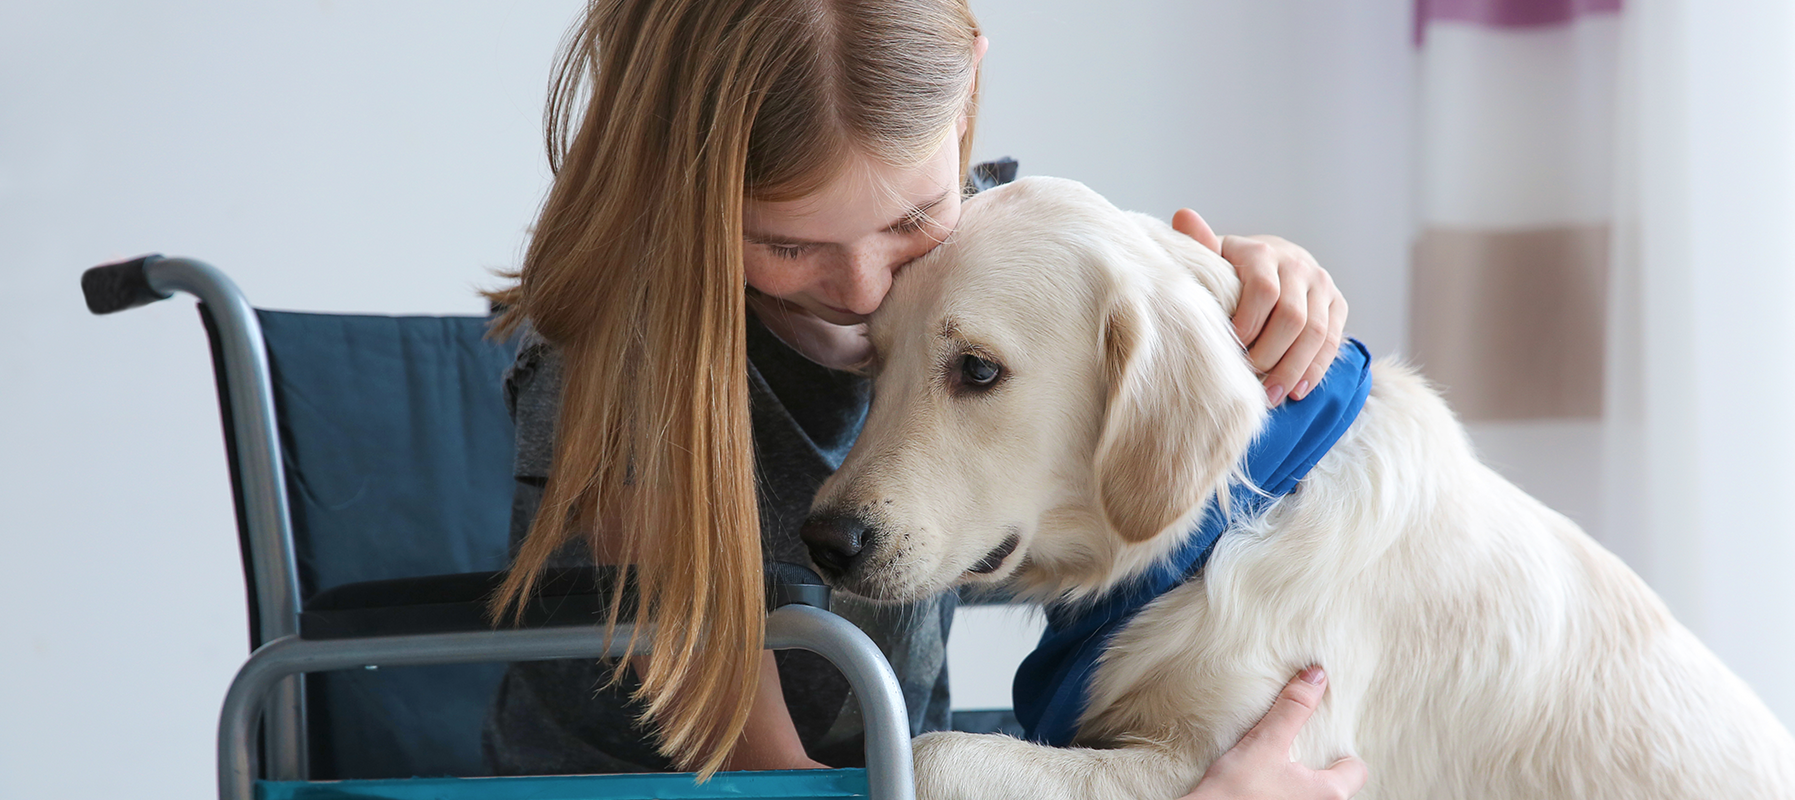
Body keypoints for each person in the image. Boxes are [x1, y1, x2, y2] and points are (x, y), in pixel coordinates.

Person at [480, 1, 1366, 797]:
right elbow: (767, 777)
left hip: (889, 772)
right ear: (681, 176)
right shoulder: (626, 360)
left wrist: (1241, 285)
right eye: (787, 246)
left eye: (909, 221)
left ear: (969, 82)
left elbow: (1113, 432)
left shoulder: (990, 261)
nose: (865, 289)